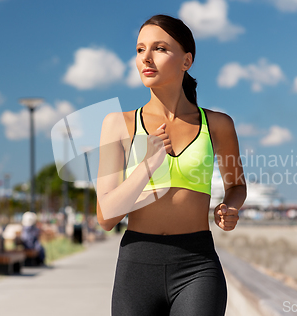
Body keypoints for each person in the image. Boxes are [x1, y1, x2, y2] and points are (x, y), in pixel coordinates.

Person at [96, 14, 246, 316]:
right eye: (140, 50)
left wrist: (230, 207)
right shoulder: (118, 124)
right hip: (136, 267)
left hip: (197, 264)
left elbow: (237, 186)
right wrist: (147, 167)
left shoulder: (217, 125)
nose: (146, 58)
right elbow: (106, 216)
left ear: (186, 60)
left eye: (160, 48)